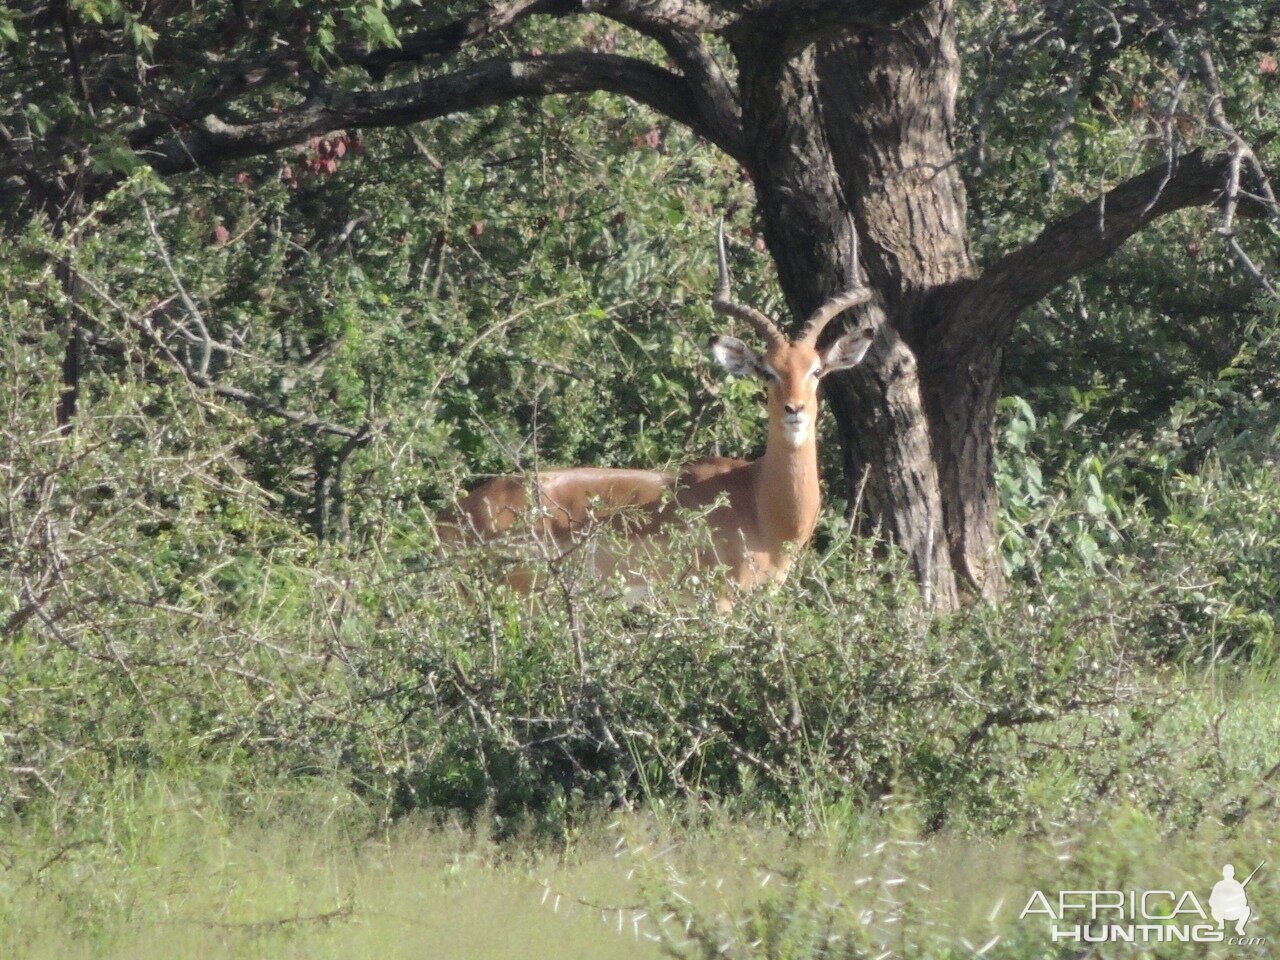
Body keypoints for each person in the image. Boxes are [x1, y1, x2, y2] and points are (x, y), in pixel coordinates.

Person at [1209, 864, 1251, 936]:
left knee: (1246, 910)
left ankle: (1239, 927)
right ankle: (1221, 923)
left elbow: (1244, 902)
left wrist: (1235, 900)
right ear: (1223, 873)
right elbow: (1211, 901)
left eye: (1230, 872)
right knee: (1214, 909)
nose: (1228, 873)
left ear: (1233, 873)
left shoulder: (1237, 885)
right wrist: (1221, 901)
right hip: (1221, 913)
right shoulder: (1219, 885)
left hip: (1234, 912)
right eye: (1226, 872)